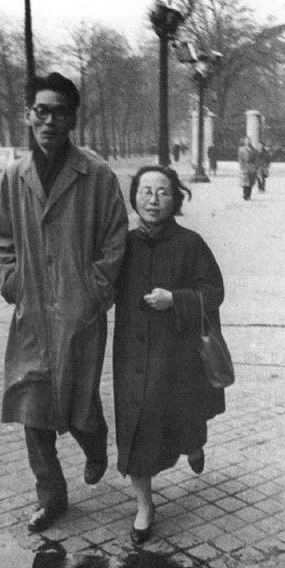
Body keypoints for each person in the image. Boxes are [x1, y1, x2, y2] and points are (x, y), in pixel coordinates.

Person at [0, 73, 128, 533]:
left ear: (72, 119)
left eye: (59, 112)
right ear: (28, 115)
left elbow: (115, 240)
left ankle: (95, 441)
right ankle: (51, 496)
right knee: (31, 403)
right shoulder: (15, 176)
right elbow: (2, 237)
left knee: (77, 400)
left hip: (79, 311)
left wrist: (94, 291)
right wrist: (13, 282)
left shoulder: (97, 175)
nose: (49, 120)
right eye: (41, 111)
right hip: (31, 310)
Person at [112, 166, 226, 545]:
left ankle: (193, 444)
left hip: (178, 356)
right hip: (133, 354)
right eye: (145, 191)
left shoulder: (191, 244)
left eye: (162, 192)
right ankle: (145, 506)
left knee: (184, 418)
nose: (153, 200)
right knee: (134, 426)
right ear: (134, 197)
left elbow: (214, 292)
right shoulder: (122, 245)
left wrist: (175, 299)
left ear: (175, 198)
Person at [238, 136, 259, 200]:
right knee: (245, 182)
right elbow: (240, 159)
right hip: (244, 167)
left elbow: (256, 159)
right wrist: (242, 167)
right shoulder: (241, 149)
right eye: (246, 141)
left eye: (249, 141)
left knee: (250, 182)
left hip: (252, 167)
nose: (248, 142)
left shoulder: (254, 150)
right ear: (244, 141)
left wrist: (255, 166)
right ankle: (245, 194)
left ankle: (249, 195)